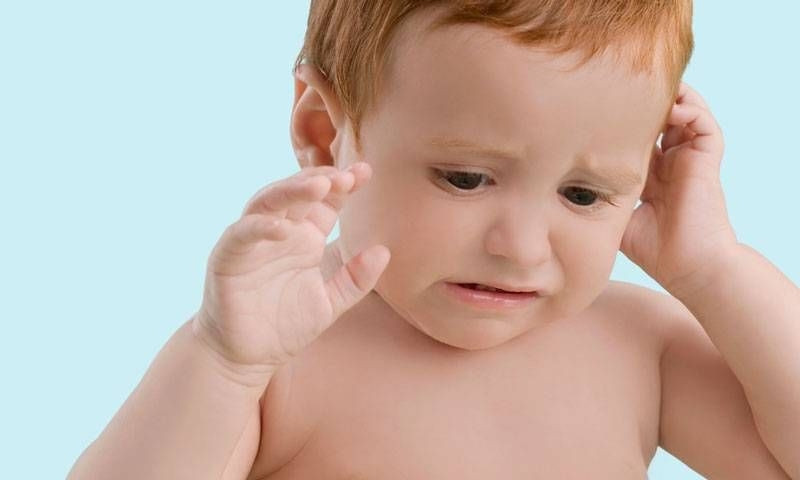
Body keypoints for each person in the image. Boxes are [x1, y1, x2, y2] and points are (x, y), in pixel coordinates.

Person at [67, 1, 800, 478]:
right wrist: (222, 365)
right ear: (324, 133)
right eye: (466, 179)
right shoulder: (275, 361)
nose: (521, 247)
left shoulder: (641, 346)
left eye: (583, 195)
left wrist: (714, 269)